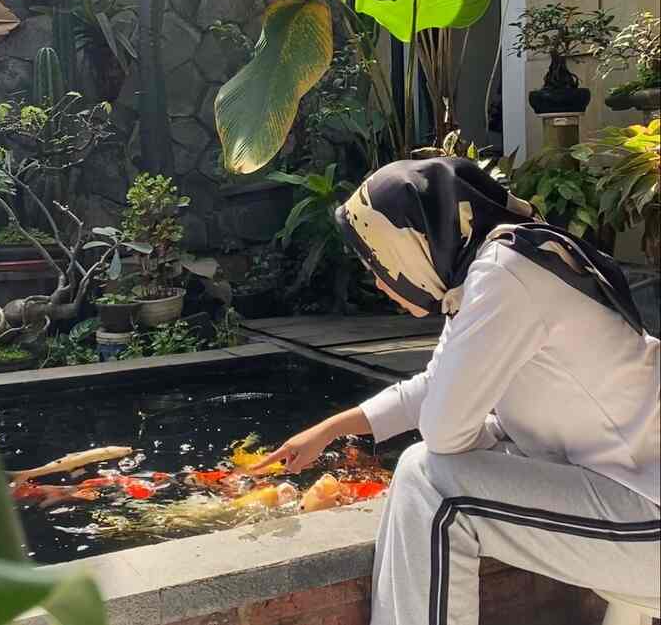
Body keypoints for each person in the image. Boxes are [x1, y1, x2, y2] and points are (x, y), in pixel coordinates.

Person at [253, 158, 660, 625]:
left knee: (431, 482)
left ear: (410, 241)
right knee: (438, 464)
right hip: (628, 499)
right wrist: (329, 429)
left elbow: (444, 433)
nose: (379, 280)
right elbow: (436, 385)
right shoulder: (501, 265)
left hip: (646, 516)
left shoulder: (505, 274)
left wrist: (488, 433)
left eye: (377, 259)